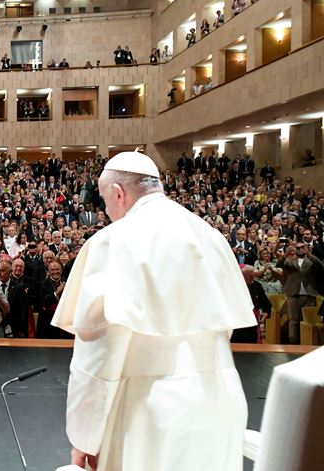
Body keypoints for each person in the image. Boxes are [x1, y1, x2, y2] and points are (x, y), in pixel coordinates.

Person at [51, 151, 255, 471]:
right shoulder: (209, 236)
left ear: (119, 193)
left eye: (105, 202)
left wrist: (84, 438)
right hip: (222, 403)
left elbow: (98, 355)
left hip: (153, 412)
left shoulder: (114, 241)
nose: (106, 212)